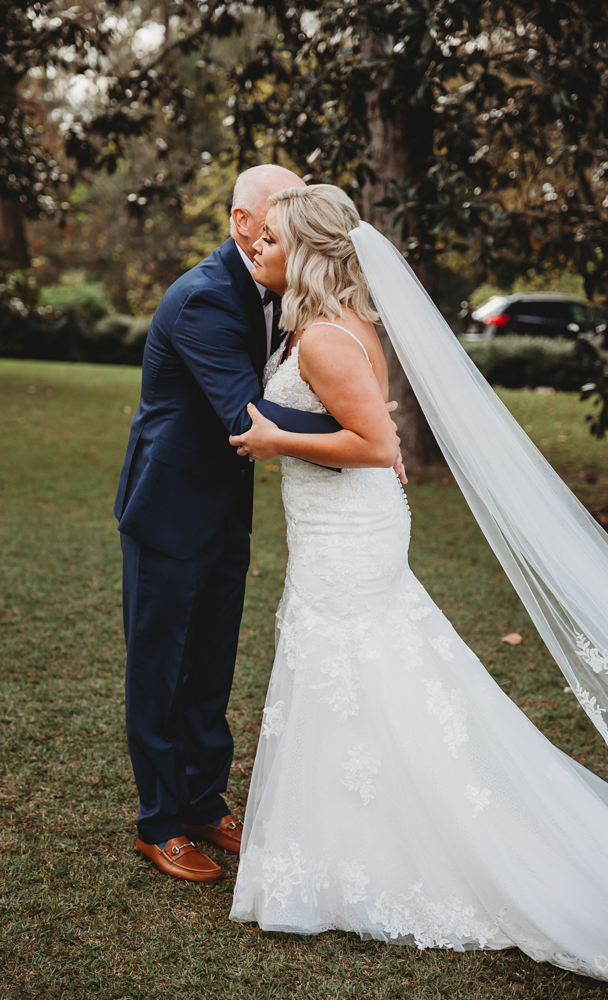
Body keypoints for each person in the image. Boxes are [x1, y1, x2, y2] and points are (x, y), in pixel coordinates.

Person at [228, 184, 608, 981]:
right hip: (343, 523)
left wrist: (272, 441)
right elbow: (378, 431)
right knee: (357, 676)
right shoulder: (338, 325)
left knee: (358, 669)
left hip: (347, 529)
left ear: (307, 251)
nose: (259, 248)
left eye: (272, 239)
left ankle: (396, 850)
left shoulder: (327, 340)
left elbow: (371, 443)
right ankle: (352, 836)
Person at [114, 166, 360, 883]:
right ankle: (157, 823)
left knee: (212, 659)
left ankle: (201, 800)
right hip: (168, 506)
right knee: (161, 667)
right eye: (276, 216)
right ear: (239, 222)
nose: (283, 232)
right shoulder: (202, 300)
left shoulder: (273, 290)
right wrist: (358, 431)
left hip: (225, 507)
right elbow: (245, 415)